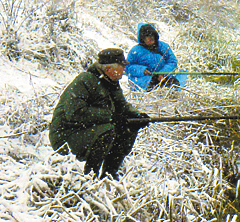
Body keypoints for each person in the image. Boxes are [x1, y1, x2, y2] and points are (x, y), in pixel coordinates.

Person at [49, 48, 150, 179]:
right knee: (107, 131)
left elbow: (122, 106)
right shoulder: (84, 81)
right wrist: (110, 116)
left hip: (85, 130)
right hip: (65, 134)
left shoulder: (111, 82)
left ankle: (109, 175)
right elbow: (75, 113)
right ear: (108, 69)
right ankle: (90, 176)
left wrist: (137, 116)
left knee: (129, 127)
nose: (124, 70)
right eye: (122, 66)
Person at [126, 23, 179, 91]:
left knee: (174, 84)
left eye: (152, 38)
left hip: (163, 79)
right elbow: (127, 67)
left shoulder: (163, 47)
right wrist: (142, 70)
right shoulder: (135, 51)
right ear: (142, 39)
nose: (151, 41)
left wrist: (163, 73)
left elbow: (172, 61)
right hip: (143, 82)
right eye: (148, 39)